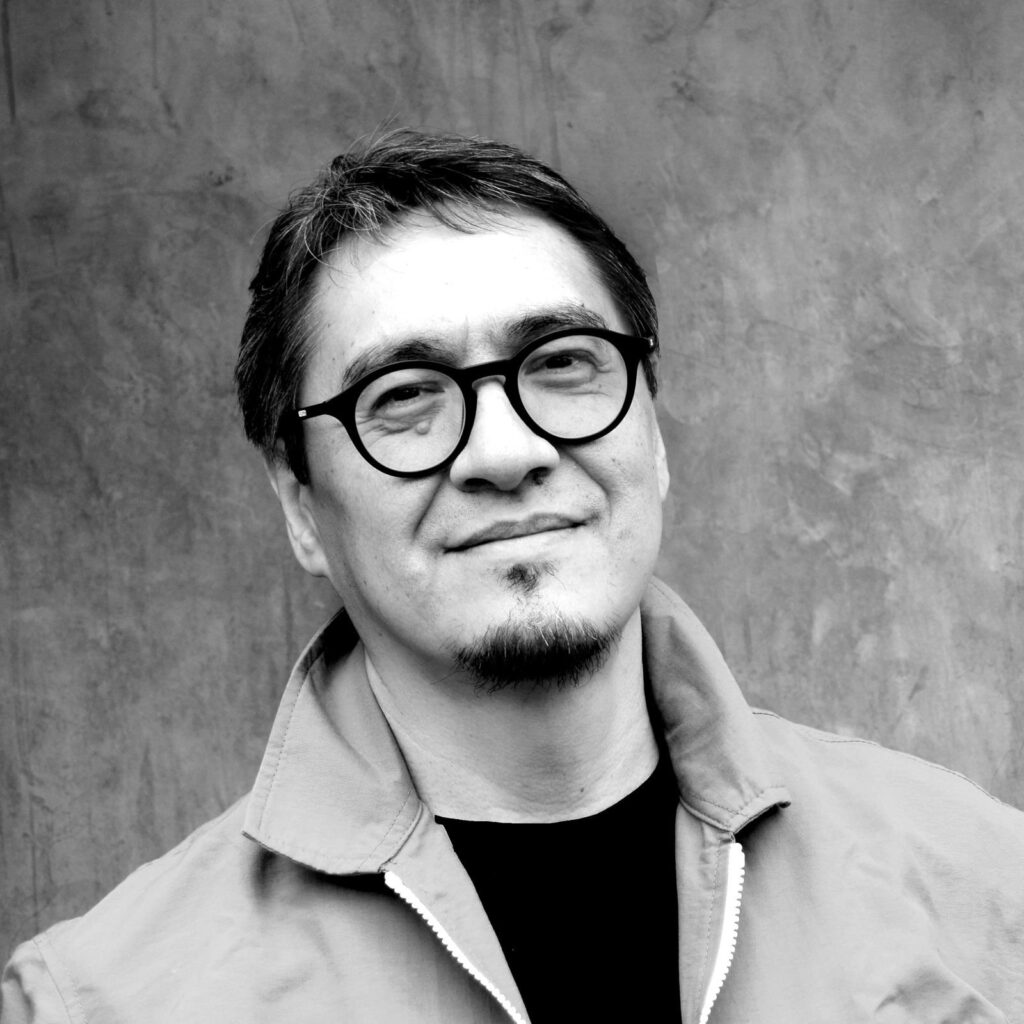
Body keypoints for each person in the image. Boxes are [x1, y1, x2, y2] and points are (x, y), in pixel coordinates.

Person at [3, 129, 1023, 1024]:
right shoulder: (100, 1002)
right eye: (405, 396)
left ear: (652, 433)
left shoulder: (981, 887)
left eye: (564, 362)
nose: (505, 450)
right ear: (300, 502)